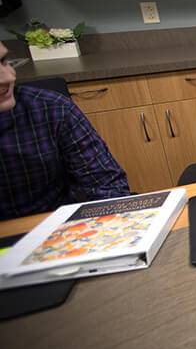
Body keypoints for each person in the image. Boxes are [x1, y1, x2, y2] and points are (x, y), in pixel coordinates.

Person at [0, 41, 130, 219]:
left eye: (4, 61)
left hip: (56, 226)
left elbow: (107, 185)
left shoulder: (52, 108)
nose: (8, 77)